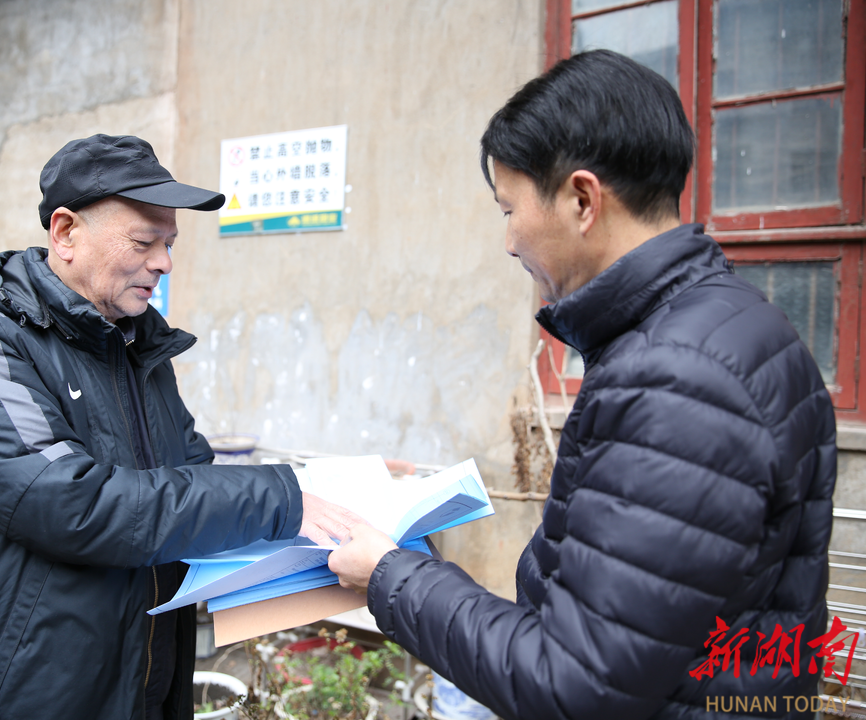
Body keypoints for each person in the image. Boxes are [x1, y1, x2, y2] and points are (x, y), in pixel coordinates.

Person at [329, 50, 836, 719]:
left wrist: (392, 576)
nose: (509, 241)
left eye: (509, 208)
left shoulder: (677, 380)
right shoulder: (735, 326)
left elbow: (578, 685)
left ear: (581, 198)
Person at [0, 134, 361, 720]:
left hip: (146, 678)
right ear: (66, 232)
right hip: (31, 692)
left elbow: (192, 474)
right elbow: (69, 503)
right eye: (145, 241)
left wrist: (327, 496)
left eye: (170, 243)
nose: (163, 263)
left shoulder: (136, 346)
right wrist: (280, 498)